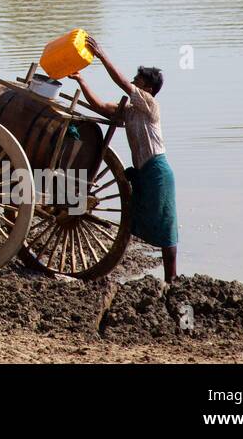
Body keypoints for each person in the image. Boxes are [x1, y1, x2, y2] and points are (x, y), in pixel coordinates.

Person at [70, 36, 178, 283]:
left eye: (138, 81)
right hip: (142, 171)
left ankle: (172, 279)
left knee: (166, 226)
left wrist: (101, 55)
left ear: (148, 90)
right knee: (137, 219)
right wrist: (81, 81)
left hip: (158, 171)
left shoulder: (151, 105)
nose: (133, 81)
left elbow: (121, 83)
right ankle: (132, 265)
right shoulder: (130, 112)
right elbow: (97, 106)